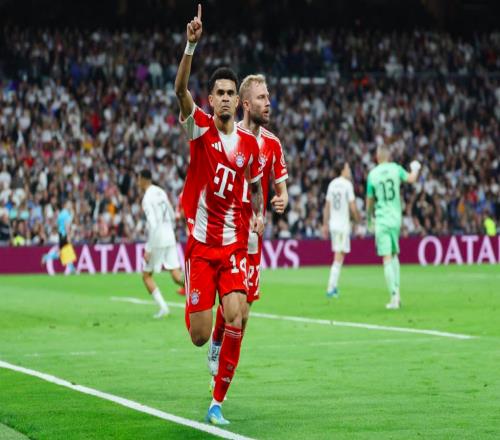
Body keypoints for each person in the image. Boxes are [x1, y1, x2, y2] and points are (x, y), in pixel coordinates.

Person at [174, 4, 265, 425]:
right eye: (220, 93)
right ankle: (208, 338)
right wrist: (191, 45)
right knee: (198, 335)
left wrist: (258, 214)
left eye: (231, 92)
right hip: (201, 247)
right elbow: (180, 90)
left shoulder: (249, 145)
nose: (226, 97)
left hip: (232, 248)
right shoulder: (200, 128)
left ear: (237, 100)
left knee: (238, 316)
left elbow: (253, 184)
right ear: (211, 100)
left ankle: (217, 401)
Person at [207, 74, 289, 387]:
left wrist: (281, 200)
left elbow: (281, 189)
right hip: (229, 233)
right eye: (261, 98)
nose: (268, 103)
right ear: (245, 104)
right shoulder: (228, 135)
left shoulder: (272, 144)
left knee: (244, 313)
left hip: (254, 236)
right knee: (234, 308)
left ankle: (223, 358)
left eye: (268, 97)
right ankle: (217, 346)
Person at [366, 144, 421, 309]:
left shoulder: (372, 175)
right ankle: (397, 294)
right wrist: (415, 168)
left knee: (386, 258)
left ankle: (394, 297)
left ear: (377, 157)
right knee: (394, 254)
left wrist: (369, 219)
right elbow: (412, 179)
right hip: (396, 219)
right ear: (388, 156)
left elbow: (369, 200)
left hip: (382, 219)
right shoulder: (396, 169)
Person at [138, 169, 183, 319]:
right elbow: (171, 214)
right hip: (169, 235)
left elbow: (152, 224)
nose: (138, 182)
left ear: (143, 180)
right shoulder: (161, 192)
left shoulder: (146, 199)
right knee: (176, 276)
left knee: (146, 276)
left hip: (158, 238)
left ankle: (163, 308)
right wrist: (170, 229)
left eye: (138, 179)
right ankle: (201, 291)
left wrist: (148, 248)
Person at [322, 162, 359, 298]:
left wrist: (325, 224)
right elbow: (353, 206)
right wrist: (357, 220)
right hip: (343, 225)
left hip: (333, 224)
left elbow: (327, 206)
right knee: (338, 256)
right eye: (348, 168)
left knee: (340, 255)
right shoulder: (347, 185)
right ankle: (330, 288)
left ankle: (334, 286)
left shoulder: (332, 184)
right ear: (342, 170)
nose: (349, 170)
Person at [42, 200, 76, 274]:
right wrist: (68, 235)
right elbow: (67, 225)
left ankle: (72, 268)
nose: (71, 206)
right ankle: (46, 257)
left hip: (60, 235)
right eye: (69, 204)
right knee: (66, 252)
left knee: (65, 252)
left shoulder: (61, 214)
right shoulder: (66, 214)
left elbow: (57, 225)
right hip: (64, 235)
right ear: (66, 205)